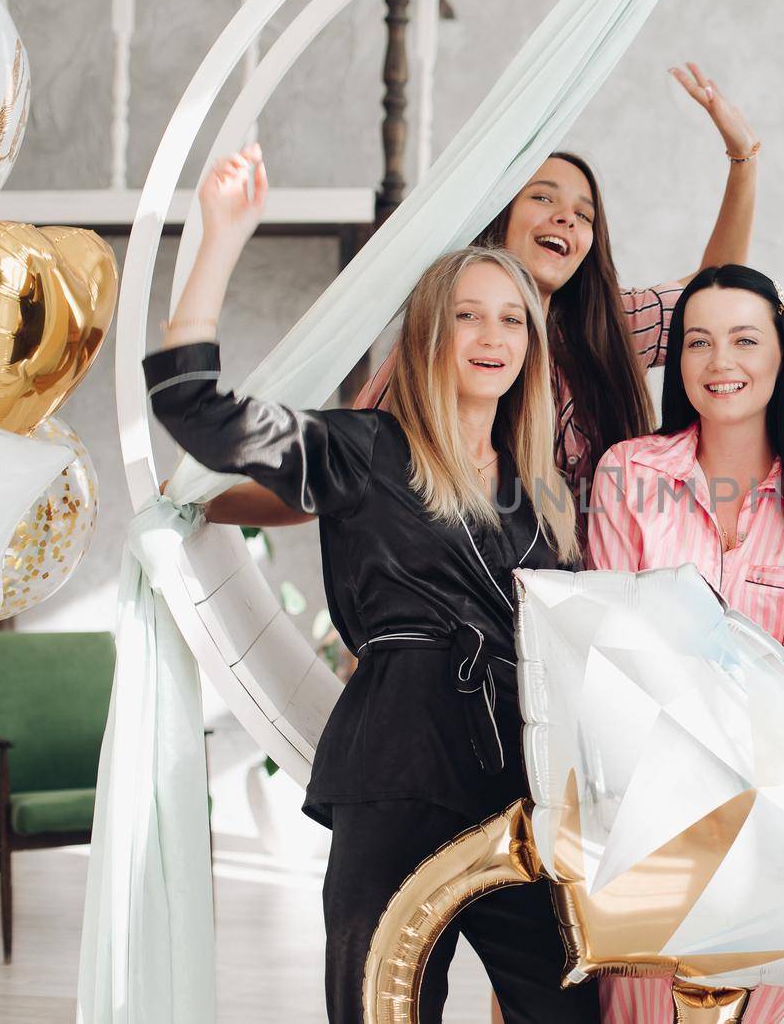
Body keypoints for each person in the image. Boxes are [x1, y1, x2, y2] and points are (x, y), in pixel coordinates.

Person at [146, 146, 593, 1024]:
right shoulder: (363, 449)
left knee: (570, 1008)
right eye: (469, 315)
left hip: (517, 782)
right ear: (431, 332)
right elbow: (194, 406)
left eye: (512, 319)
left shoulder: (544, 492)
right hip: (395, 764)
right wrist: (221, 237)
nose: (494, 336)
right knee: (375, 1007)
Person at [205, 62, 758, 532]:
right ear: (503, 217)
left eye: (584, 214)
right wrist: (205, 504)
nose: (566, 216)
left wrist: (743, 161)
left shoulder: (607, 327)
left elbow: (716, 289)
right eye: (543, 197)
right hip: (487, 613)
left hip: (603, 599)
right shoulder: (442, 338)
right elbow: (339, 474)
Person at [586, 264, 784, 1024]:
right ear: (677, 360)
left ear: (782, 352)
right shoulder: (629, 474)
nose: (722, 362)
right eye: (699, 342)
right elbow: (619, 655)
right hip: (656, 835)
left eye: (745, 339)